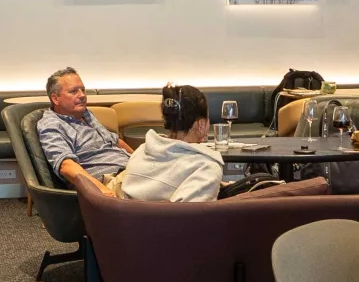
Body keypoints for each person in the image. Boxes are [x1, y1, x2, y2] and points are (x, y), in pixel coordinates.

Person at [117, 83, 331, 203]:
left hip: (131, 245)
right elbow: (188, 222)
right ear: (201, 124)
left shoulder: (141, 152)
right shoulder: (206, 166)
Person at [36, 68, 132, 197]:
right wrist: (100, 190)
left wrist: (139, 159)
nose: (82, 95)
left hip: (131, 171)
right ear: (55, 98)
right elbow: (66, 165)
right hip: (111, 181)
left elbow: (115, 141)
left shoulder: (85, 114)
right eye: (73, 91)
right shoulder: (52, 124)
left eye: (83, 90)